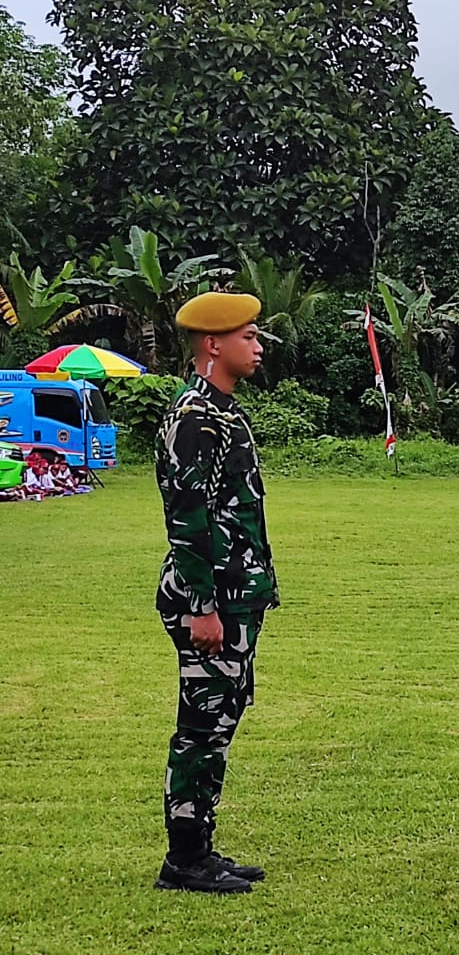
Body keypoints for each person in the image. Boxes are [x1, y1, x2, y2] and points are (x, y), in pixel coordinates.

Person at [154, 291, 278, 895]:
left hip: (236, 596)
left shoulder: (223, 413)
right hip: (211, 603)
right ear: (213, 344)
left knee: (218, 726)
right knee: (201, 729)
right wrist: (202, 606)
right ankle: (183, 861)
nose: (257, 347)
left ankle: (199, 848)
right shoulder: (195, 419)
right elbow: (188, 516)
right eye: (248, 337)